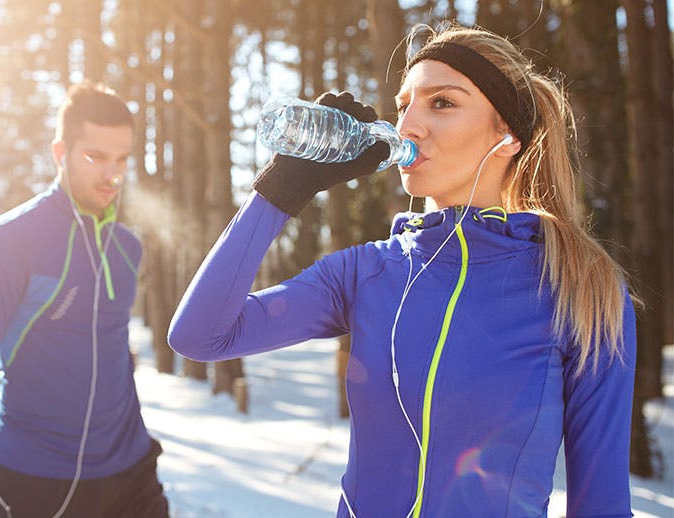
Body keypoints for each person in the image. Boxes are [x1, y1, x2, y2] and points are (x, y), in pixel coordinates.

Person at [169, 24, 636, 518]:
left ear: (508, 135)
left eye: (442, 103)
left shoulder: (579, 287)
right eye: (404, 105)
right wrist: (281, 189)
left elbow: (601, 506)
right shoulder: (367, 270)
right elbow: (200, 336)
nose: (408, 125)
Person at [0, 82, 169, 518]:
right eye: (95, 157)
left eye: (122, 159)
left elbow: (108, 344)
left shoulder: (126, 248)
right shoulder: (10, 243)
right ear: (59, 152)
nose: (112, 175)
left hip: (132, 472)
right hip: (41, 480)